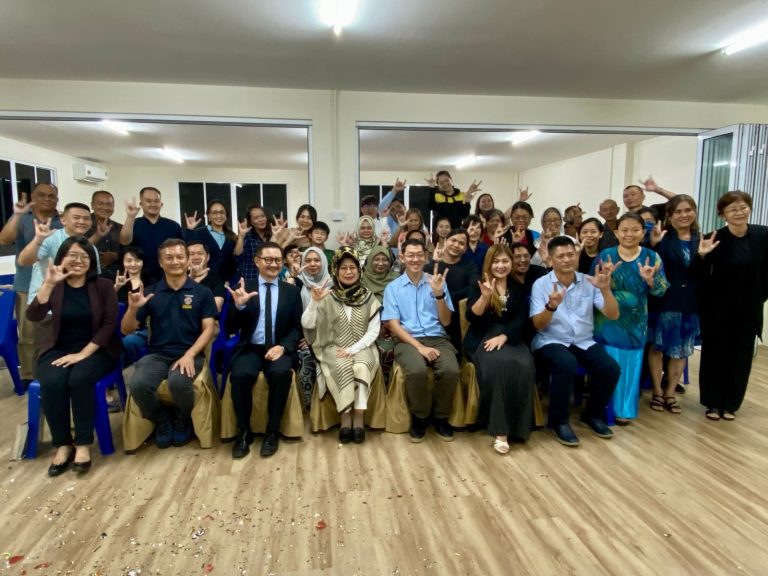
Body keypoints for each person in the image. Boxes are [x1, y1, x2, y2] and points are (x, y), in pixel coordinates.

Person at [27, 236, 121, 476]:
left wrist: (82, 354)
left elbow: (109, 325)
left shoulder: (103, 285)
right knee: (52, 381)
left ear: (92, 261)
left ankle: (83, 444)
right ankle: (62, 444)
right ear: (62, 258)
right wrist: (48, 284)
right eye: (73, 255)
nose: (79, 261)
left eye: (84, 256)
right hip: (58, 348)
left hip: (97, 349)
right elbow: (34, 316)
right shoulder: (56, 286)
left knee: (79, 379)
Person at [121, 239, 217, 449]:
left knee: (178, 383)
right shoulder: (150, 293)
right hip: (158, 355)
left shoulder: (202, 292)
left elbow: (209, 329)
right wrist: (132, 309)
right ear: (160, 262)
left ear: (187, 260)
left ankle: (183, 418)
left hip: (191, 353)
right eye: (169, 258)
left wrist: (190, 355)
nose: (175, 261)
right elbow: (126, 330)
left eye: (180, 257)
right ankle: (162, 419)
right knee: (138, 384)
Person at [530, 235, 620, 447]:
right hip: (551, 340)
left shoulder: (590, 282)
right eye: (560, 256)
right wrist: (551, 307)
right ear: (551, 259)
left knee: (610, 368)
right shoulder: (541, 285)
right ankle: (559, 421)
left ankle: (592, 415)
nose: (566, 259)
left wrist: (605, 289)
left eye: (570, 254)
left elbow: (613, 314)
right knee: (566, 362)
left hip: (582, 340)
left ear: (577, 256)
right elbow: (538, 325)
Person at [226, 242, 303, 458]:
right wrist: (239, 306)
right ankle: (244, 432)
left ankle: (272, 431)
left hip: (279, 348)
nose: (274, 264)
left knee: (280, 373)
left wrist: (283, 347)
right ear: (257, 261)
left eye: (278, 260)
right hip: (251, 348)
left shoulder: (291, 291)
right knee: (240, 374)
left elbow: (297, 328)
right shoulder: (245, 287)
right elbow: (230, 327)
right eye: (268, 259)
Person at [698, 191, 768, 421]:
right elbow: (699, 277)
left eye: (743, 207)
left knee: (741, 358)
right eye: (732, 209)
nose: (739, 212)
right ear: (722, 214)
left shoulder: (762, 235)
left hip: (748, 309)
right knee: (715, 356)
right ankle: (712, 402)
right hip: (717, 309)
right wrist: (702, 256)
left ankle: (730, 404)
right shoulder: (713, 238)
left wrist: (761, 296)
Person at [382, 239, 460, 442]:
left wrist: (439, 295)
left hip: (438, 337)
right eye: (410, 255)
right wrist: (420, 347)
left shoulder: (437, 282)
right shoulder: (393, 288)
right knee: (416, 370)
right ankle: (420, 417)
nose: (415, 259)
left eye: (419, 255)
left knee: (451, 369)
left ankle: (441, 417)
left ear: (426, 257)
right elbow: (394, 325)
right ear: (402, 257)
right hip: (407, 340)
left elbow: (446, 321)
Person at [593, 213, 668, 425]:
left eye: (635, 230)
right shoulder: (606, 255)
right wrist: (604, 279)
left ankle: (624, 409)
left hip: (635, 320)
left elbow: (661, 291)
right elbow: (593, 284)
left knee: (631, 364)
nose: (629, 234)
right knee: (608, 362)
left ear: (643, 233)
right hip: (607, 317)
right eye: (624, 230)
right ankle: (602, 407)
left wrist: (650, 280)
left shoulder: (651, 257)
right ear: (616, 232)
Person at [302, 247, 381, 444]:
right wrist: (314, 303)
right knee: (342, 366)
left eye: (352, 267)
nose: (348, 272)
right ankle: (345, 419)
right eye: (343, 268)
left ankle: (359, 418)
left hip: (363, 346)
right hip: (333, 347)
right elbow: (307, 324)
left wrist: (353, 349)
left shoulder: (368, 296)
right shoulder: (327, 296)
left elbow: (374, 331)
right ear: (335, 271)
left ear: (359, 270)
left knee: (361, 366)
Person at [465, 244, 535, 454]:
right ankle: (500, 430)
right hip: (483, 336)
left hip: (510, 337)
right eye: (496, 261)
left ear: (511, 263)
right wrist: (485, 297)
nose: (501, 265)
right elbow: (472, 317)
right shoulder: (478, 284)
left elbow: (521, 319)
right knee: (498, 366)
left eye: (505, 261)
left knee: (525, 365)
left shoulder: (518, 286)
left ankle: (519, 427)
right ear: (489, 263)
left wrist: (504, 337)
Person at [0, 183, 62, 387]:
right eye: (42, 195)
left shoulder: (61, 220)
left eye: (52, 196)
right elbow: (4, 239)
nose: (47, 199)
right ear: (33, 198)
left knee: (56, 332)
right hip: (27, 286)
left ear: (57, 199)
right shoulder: (23, 218)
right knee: (28, 334)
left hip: (57, 286)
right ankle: (29, 376)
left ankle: (52, 372)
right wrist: (17, 214)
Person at [647, 195, 702, 415]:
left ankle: (670, 392)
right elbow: (650, 264)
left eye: (688, 210)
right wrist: (653, 244)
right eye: (678, 211)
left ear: (694, 212)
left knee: (681, 350)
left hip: (690, 303)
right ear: (669, 216)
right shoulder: (662, 238)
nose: (683, 215)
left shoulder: (702, 239)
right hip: (663, 301)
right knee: (657, 348)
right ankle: (657, 391)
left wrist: (704, 256)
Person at [429, 228, 479, 357]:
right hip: (432, 315)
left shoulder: (470, 265)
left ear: (466, 248)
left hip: (458, 317)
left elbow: (473, 287)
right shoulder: (433, 264)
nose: (456, 245)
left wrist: (445, 297)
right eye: (453, 240)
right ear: (445, 241)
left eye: (461, 243)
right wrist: (434, 262)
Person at [119, 187, 183, 284]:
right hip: (139, 277)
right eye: (148, 201)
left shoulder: (173, 226)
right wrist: (130, 216)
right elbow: (124, 241)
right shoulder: (133, 223)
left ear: (161, 204)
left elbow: (182, 251)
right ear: (141, 204)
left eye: (156, 201)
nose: (153, 204)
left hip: (169, 276)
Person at [362, 245, 398, 383]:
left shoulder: (396, 280)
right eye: (377, 259)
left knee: (388, 350)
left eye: (385, 260)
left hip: (392, 329)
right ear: (370, 260)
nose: (381, 263)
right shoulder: (361, 280)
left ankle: (389, 389)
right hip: (365, 328)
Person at [114, 246, 151, 367]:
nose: (133, 264)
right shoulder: (116, 281)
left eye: (137, 260)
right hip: (115, 327)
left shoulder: (151, 282)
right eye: (129, 261)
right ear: (122, 262)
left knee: (127, 342)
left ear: (143, 262)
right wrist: (116, 288)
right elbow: (104, 305)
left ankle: (127, 372)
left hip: (141, 328)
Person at [183, 200, 237, 283]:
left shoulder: (232, 236)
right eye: (215, 213)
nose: (219, 215)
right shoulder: (200, 233)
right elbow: (187, 251)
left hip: (227, 283)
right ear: (209, 215)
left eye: (222, 212)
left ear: (226, 215)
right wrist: (190, 230)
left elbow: (235, 259)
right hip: (204, 281)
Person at [87, 190, 123, 281]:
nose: (105, 207)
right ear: (92, 205)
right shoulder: (83, 225)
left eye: (109, 204)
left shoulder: (120, 228)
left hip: (116, 279)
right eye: (100, 203)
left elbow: (130, 250)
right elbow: (78, 247)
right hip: (90, 278)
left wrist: (116, 256)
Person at [234, 204, 272, 281]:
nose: (261, 219)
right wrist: (241, 236)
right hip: (250, 279)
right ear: (251, 222)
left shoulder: (271, 235)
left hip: (268, 279)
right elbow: (238, 256)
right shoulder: (248, 236)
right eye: (256, 218)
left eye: (262, 216)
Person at [187, 240, 226, 312]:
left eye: (200, 253)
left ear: (207, 257)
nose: (196, 257)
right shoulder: (178, 279)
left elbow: (215, 309)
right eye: (191, 254)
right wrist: (191, 279)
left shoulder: (217, 281)